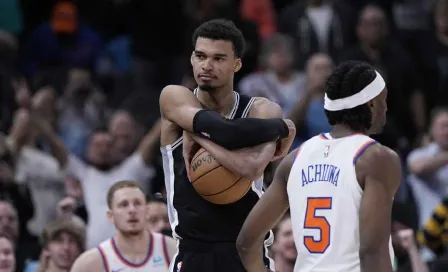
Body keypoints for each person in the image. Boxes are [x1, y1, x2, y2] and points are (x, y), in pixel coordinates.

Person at [236, 61, 401, 272]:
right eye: (383, 99)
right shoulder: (376, 158)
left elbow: (246, 242)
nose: (386, 107)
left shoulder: (295, 159)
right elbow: (371, 250)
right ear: (371, 104)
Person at [159, 19, 296, 272]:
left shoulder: (261, 109)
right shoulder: (174, 98)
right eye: (200, 56)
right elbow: (224, 131)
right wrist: (284, 127)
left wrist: (198, 136)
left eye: (218, 58)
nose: (206, 66)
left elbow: (251, 167)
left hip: (248, 252)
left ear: (237, 64)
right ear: (191, 58)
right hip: (193, 252)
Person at [70, 181, 177, 271]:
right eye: (124, 205)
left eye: (137, 203)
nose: (132, 210)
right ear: (111, 216)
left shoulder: (173, 250)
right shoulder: (89, 263)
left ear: (147, 211)